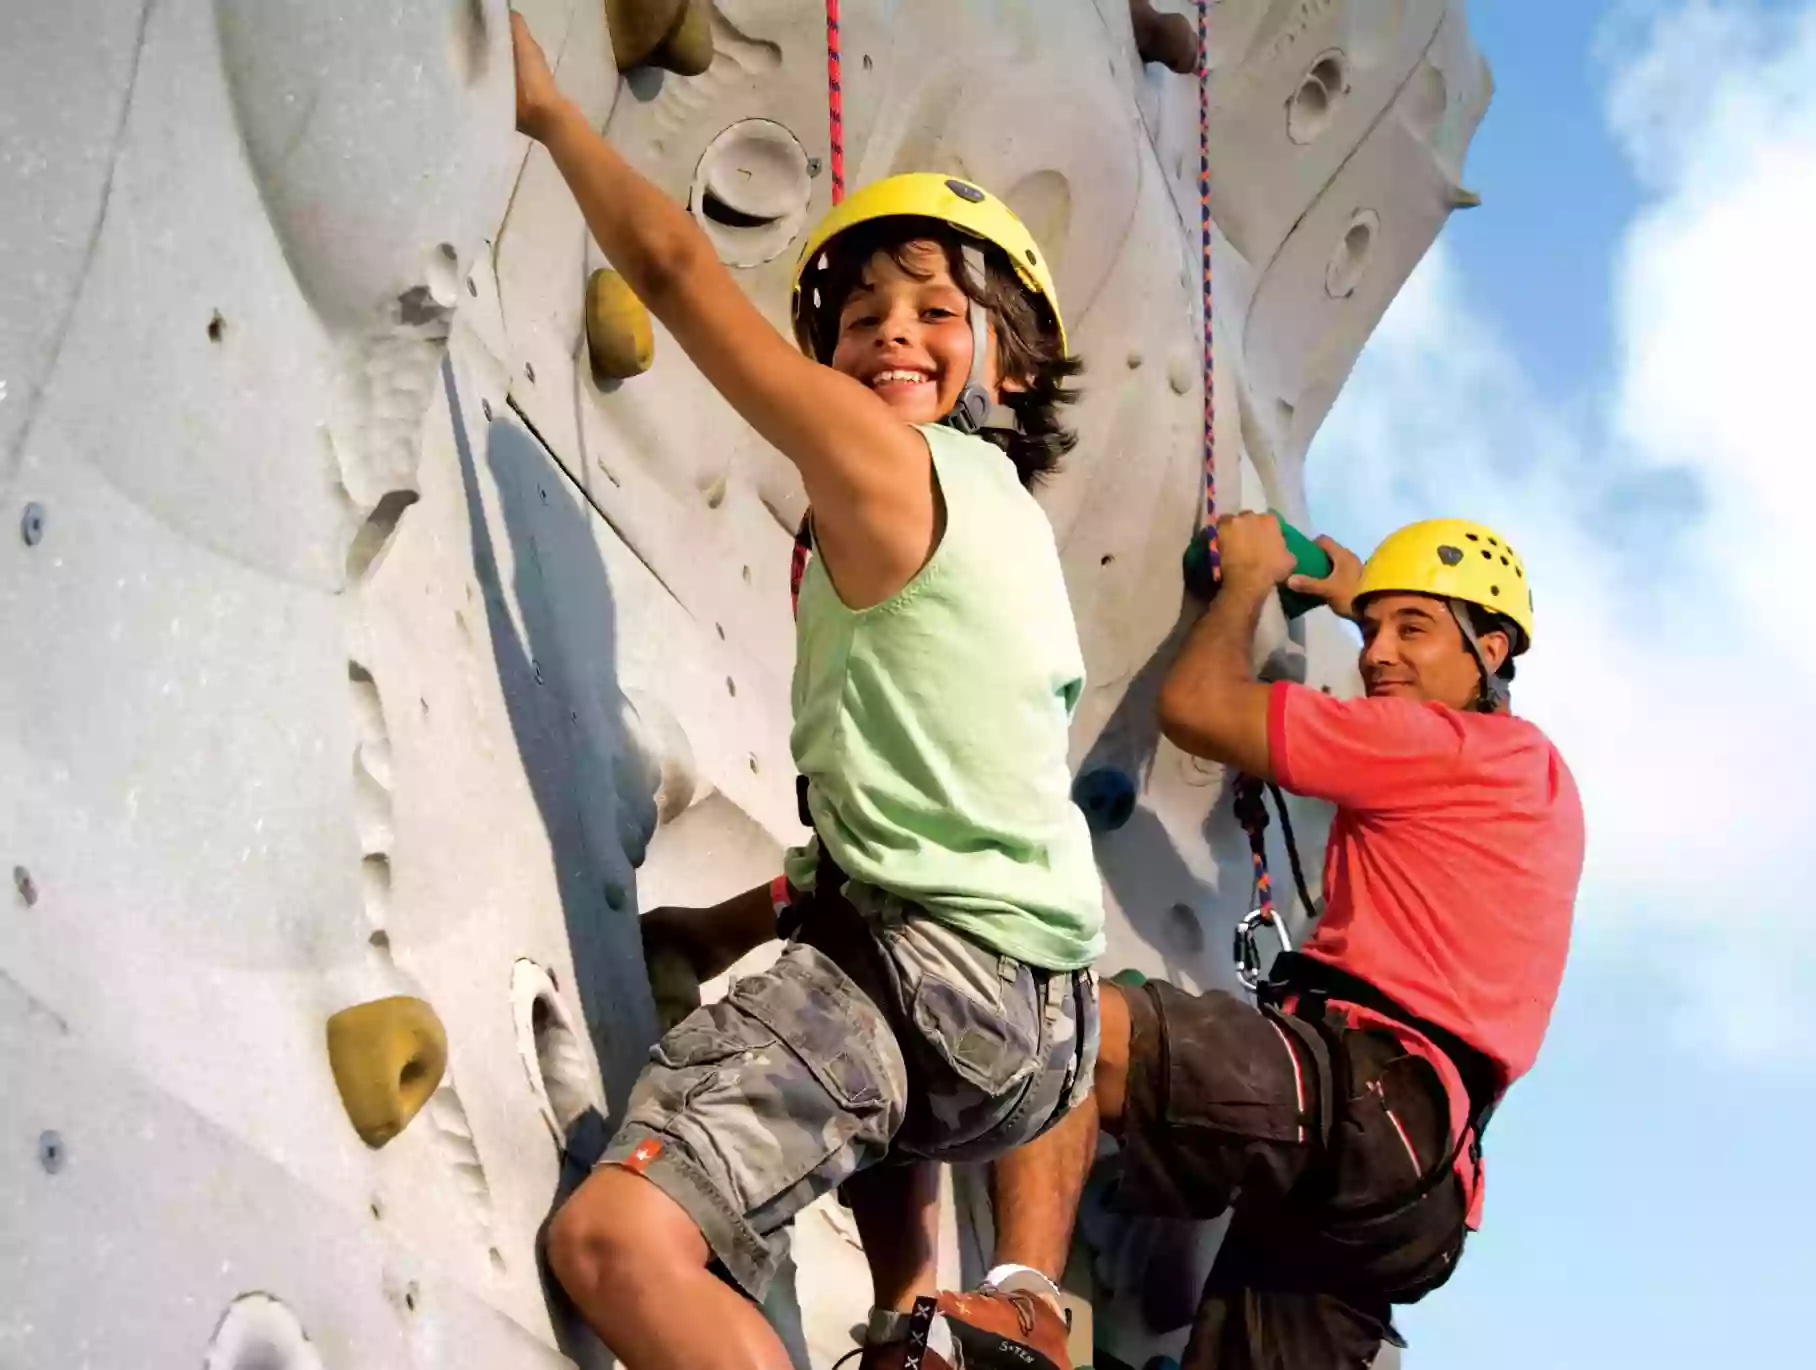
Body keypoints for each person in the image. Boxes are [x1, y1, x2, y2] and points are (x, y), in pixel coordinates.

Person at [510, 16, 1104, 1370]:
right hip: (1044, 1034)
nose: (890, 335)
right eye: (859, 318)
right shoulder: (1012, 522)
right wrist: (722, 930)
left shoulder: (883, 461)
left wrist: (546, 114)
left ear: (1004, 366)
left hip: (929, 993)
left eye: (934, 314)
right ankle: (914, 1318)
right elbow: (920, 829)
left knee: (614, 1242)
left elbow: (668, 264)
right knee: (866, 1020)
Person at [972, 510, 1587, 1368]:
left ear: (1490, 650)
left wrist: (1252, 577)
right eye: (1371, 629)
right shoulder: (1535, 776)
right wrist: (1356, 590)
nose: (1377, 654)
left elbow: (1197, 707)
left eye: (1412, 629)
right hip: (1420, 1182)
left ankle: (1024, 1310)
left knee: (1066, 1027)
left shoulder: (1434, 745)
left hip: (1364, 1097)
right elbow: (1413, 649)